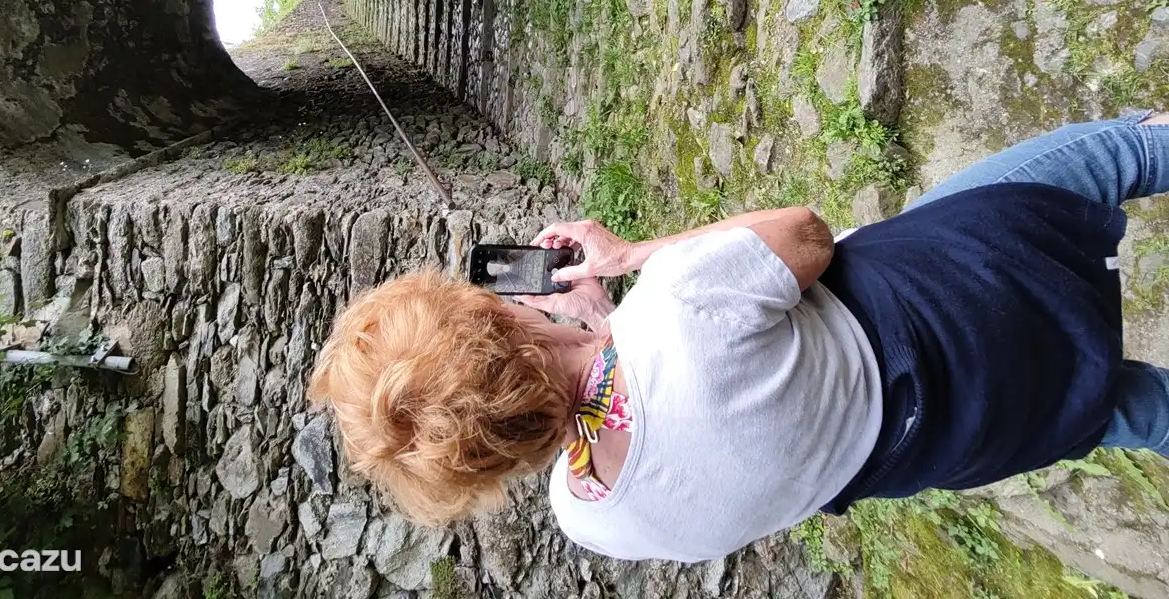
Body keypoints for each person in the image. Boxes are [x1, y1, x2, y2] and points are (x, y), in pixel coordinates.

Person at [307, 114, 1169, 561]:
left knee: (1122, 406)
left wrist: (600, 333)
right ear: (494, 313)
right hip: (957, 298)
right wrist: (632, 257)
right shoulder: (675, 311)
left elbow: (690, 424)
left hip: (963, 433)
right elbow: (806, 235)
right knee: (1112, 157)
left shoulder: (590, 518)